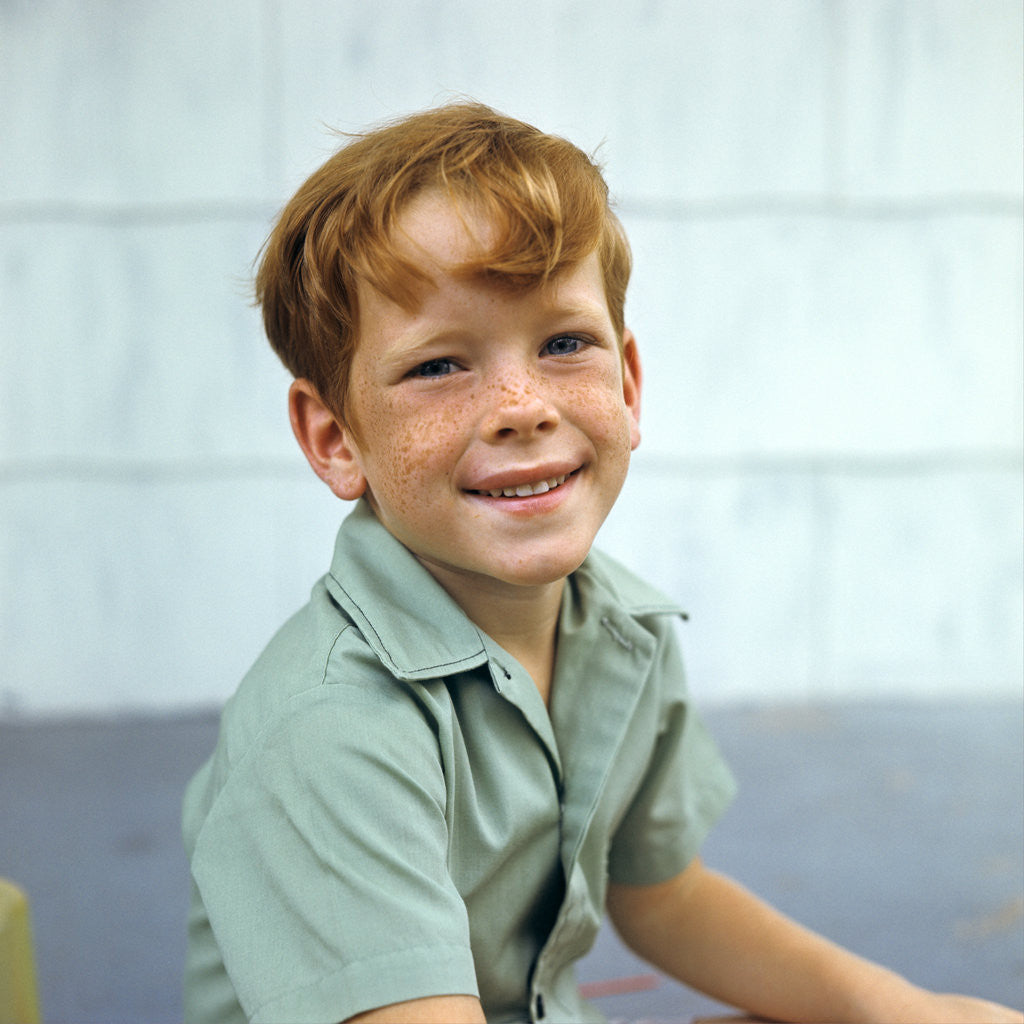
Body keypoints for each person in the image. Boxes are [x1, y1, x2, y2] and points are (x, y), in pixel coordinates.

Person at [182, 101, 1021, 1024]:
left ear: (626, 381)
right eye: (438, 366)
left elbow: (662, 894)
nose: (520, 405)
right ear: (336, 438)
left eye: (563, 344)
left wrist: (897, 1008)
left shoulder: (619, 632)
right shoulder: (328, 732)